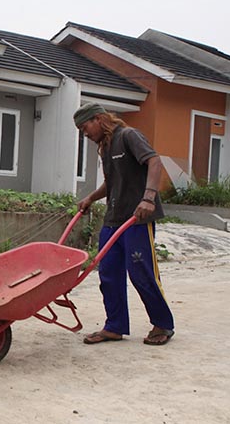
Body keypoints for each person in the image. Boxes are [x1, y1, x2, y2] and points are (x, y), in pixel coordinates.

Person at [74, 102, 175, 346]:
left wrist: (148, 198)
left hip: (138, 218)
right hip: (114, 219)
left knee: (141, 272)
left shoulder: (128, 136)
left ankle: (163, 324)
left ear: (98, 119)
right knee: (108, 273)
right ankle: (115, 326)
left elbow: (154, 161)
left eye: (85, 126)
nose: (84, 133)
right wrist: (91, 197)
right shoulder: (105, 147)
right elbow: (112, 182)